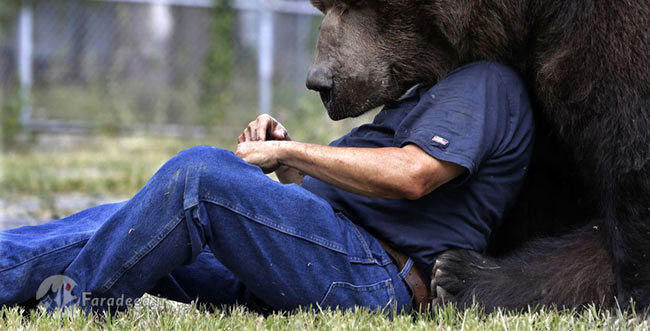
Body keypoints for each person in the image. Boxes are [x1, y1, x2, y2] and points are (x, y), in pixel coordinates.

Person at [0, 61, 533, 314]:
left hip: (373, 277)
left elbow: (414, 176)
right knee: (130, 218)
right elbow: (335, 200)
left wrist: (289, 152)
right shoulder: (432, 92)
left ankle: (68, 312)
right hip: (324, 257)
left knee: (199, 179)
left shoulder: (485, 81)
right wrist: (289, 167)